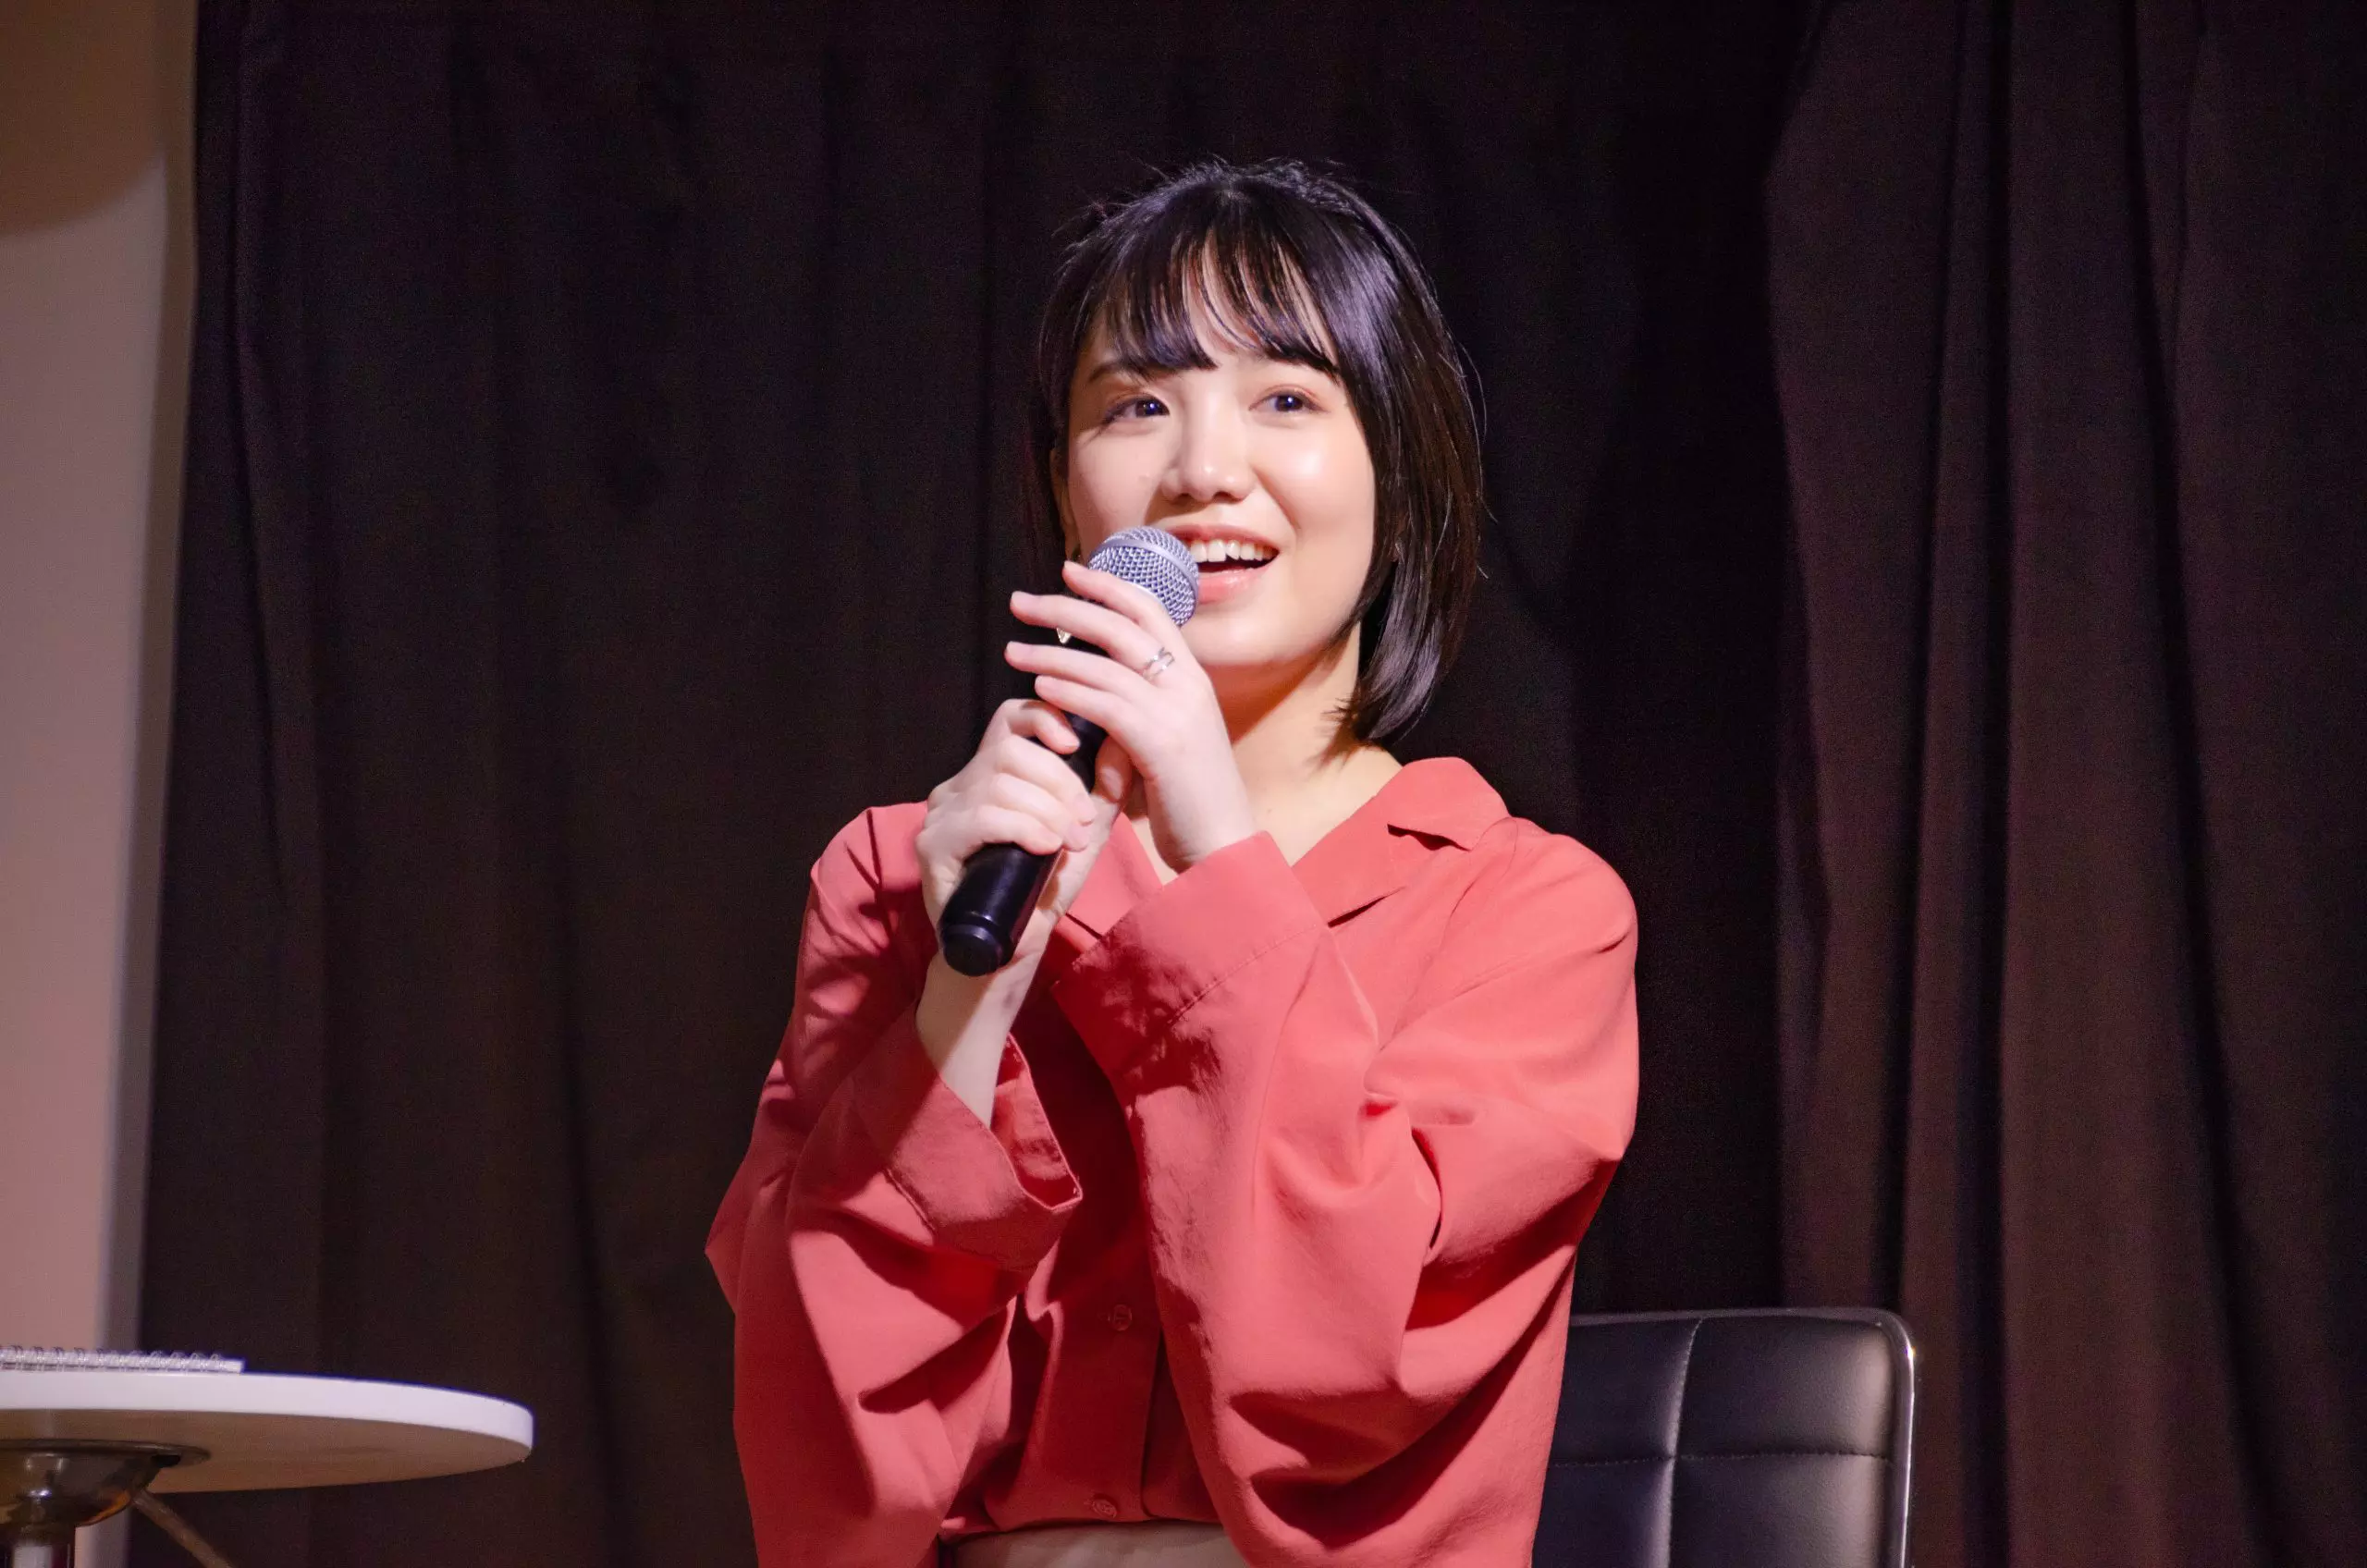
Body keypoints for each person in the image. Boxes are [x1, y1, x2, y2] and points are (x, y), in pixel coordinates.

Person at [707, 158, 1639, 1568]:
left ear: (1400, 478)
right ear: (1066, 490)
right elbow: (818, 1441)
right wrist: (965, 997)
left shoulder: (1527, 912)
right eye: (1137, 404)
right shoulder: (903, 873)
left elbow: (1355, 1364)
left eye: (1288, 399)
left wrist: (1214, 856)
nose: (1203, 468)